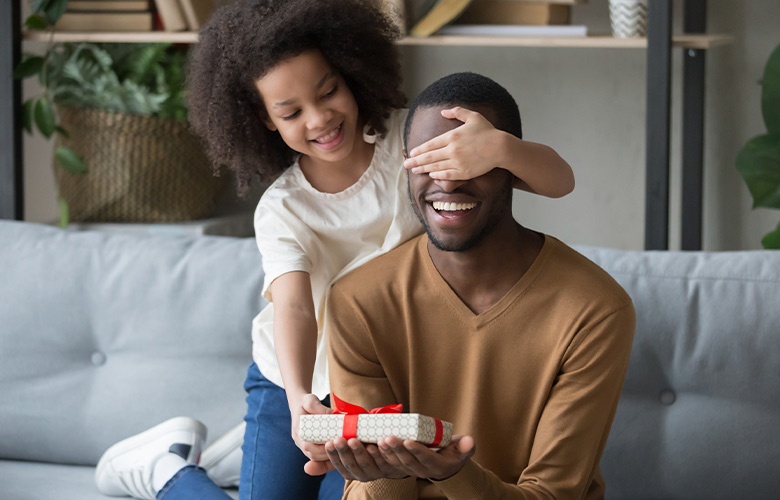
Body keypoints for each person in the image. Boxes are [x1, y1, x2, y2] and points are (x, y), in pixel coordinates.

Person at [93, 0, 575, 498]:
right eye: (291, 112)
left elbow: (560, 182)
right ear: (264, 120)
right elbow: (296, 307)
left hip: (373, 386)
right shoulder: (283, 208)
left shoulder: (411, 142)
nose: (320, 118)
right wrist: (301, 397)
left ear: (349, 74)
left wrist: (499, 148)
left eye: (329, 92)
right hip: (291, 382)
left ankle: (243, 460)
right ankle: (166, 470)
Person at [318, 72, 636, 499]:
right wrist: (382, 473)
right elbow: (375, 487)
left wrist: (453, 475)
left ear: (512, 169)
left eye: (469, 162)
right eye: (430, 162)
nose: (447, 182)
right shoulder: (357, 301)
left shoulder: (594, 310)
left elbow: (550, 495)